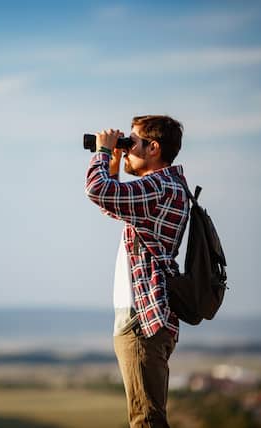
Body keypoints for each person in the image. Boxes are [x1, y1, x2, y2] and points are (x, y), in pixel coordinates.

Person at [84, 115, 189, 428]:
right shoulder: (164, 187)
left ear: (153, 148)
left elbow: (98, 191)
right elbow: (112, 203)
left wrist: (102, 152)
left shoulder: (161, 187)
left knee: (146, 421)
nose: (126, 148)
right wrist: (115, 162)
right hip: (143, 317)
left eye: (132, 142)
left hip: (143, 320)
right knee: (145, 417)